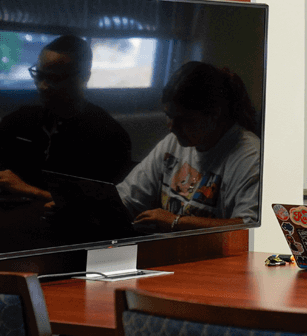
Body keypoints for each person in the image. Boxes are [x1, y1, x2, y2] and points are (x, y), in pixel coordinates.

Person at [116, 61, 260, 232]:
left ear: (214, 114)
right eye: (169, 116)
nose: (172, 127)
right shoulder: (173, 142)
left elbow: (250, 228)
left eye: (185, 120)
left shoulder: (250, 156)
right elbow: (127, 199)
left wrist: (176, 221)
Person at [0, 35, 131, 201]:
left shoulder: (109, 137)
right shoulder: (19, 120)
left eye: (55, 78)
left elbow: (104, 206)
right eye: (39, 75)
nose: (42, 86)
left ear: (84, 77)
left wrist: (29, 191)